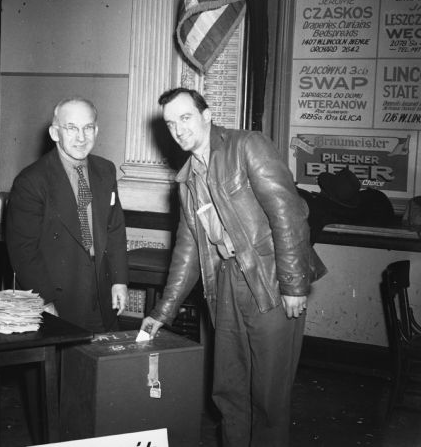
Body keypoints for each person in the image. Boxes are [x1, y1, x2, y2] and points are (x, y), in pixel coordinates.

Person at [140, 88, 327, 447]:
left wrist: (293, 285)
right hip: (223, 286)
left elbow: (289, 215)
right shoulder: (187, 179)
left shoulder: (246, 146)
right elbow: (187, 249)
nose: (178, 130)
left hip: (270, 284)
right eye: (169, 123)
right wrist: (163, 312)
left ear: (207, 116)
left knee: (268, 399)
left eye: (185, 117)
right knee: (228, 391)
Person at [6, 96, 128, 332]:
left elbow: (115, 229)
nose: (81, 137)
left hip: (102, 291)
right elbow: (23, 251)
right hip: (58, 295)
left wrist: (119, 280)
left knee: (100, 362)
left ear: (96, 130)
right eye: (71, 128)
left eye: (88, 128)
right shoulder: (31, 181)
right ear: (54, 133)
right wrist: (45, 300)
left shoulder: (106, 170)